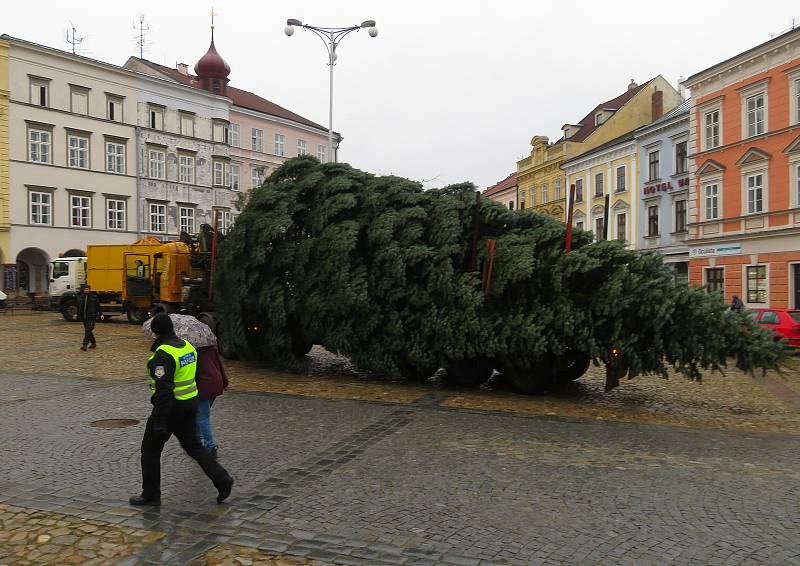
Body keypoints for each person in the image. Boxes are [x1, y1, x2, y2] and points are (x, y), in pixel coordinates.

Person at [130, 313, 234, 506]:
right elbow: (193, 376)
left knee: (150, 451)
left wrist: (160, 421)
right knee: (194, 447)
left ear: (156, 331)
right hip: (190, 404)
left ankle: (151, 495)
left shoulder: (163, 355)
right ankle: (223, 479)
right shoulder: (187, 347)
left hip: (170, 408)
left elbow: (163, 390)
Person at [195, 345, 229, 459]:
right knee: (199, 414)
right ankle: (198, 442)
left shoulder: (191, 351)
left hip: (203, 385)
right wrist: (225, 382)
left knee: (202, 416)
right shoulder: (211, 347)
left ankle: (210, 446)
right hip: (215, 382)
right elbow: (219, 365)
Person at [75, 285, 101, 351]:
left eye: (87, 289)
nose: (86, 290)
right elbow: (80, 307)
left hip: (91, 316)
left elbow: (98, 307)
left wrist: (101, 314)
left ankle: (84, 345)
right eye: (85, 289)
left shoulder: (94, 297)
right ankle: (93, 343)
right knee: (88, 330)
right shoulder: (82, 297)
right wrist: (77, 314)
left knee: (88, 329)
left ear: (90, 290)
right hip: (84, 317)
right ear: (83, 290)